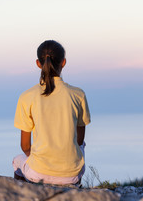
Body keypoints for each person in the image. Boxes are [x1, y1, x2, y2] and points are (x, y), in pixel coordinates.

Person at [12, 40, 90, 185]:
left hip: (38, 173)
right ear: (64, 62)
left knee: (17, 161)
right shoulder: (78, 95)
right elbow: (79, 140)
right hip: (72, 174)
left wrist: (40, 160)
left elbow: (25, 146)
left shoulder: (26, 97)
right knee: (81, 146)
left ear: (38, 63)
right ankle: (74, 187)